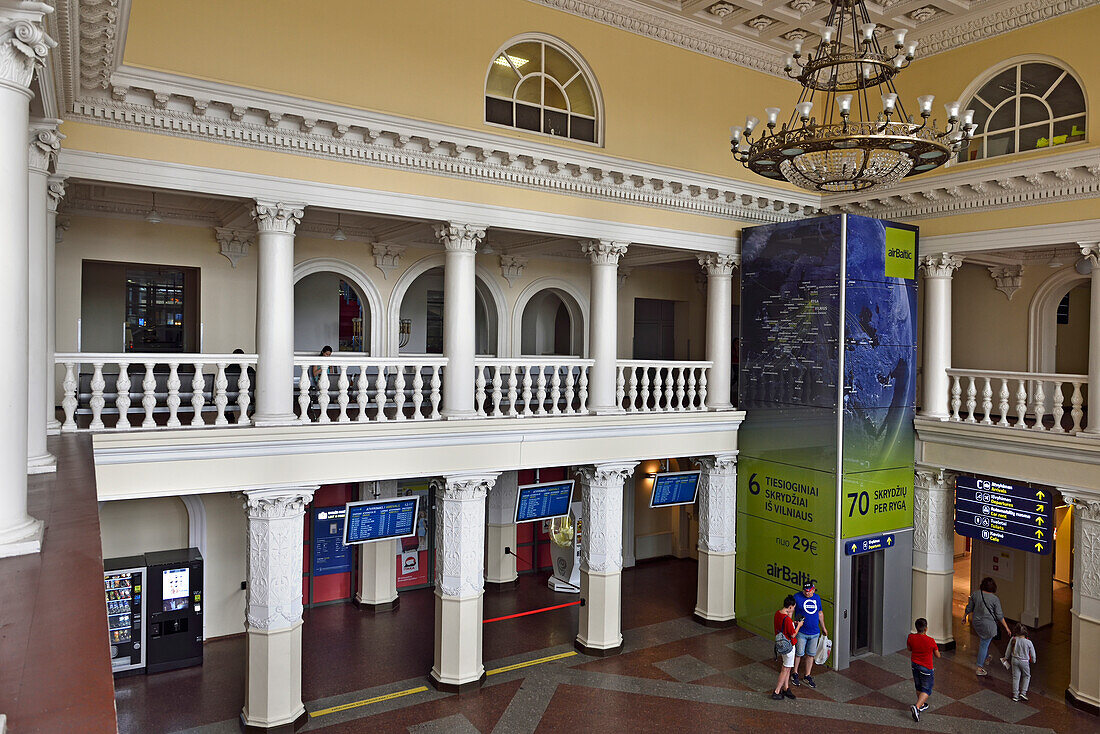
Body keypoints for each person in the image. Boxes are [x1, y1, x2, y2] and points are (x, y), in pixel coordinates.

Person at [963, 576, 1012, 676]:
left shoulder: (976, 594)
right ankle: (980, 667)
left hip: (977, 623)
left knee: (983, 641)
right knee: (984, 644)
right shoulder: (995, 599)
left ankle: (986, 657)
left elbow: (969, 607)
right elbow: (999, 615)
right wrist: (1006, 627)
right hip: (989, 625)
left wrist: (964, 616)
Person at [791, 579, 827, 688]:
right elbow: (791, 611)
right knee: (799, 653)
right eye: (805, 591)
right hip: (801, 632)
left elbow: (820, 613)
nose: (807, 593)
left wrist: (823, 627)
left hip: (814, 632)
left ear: (813, 590)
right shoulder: (797, 597)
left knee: (811, 655)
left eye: (809, 591)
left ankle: (807, 675)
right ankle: (795, 673)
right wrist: (792, 625)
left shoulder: (817, 598)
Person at [906, 617, 940, 722]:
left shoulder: (911, 637)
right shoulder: (931, 641)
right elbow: (937, 655)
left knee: (918, 685)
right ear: (926, 629)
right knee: (927, 689)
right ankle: (916, 707)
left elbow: (909, 649)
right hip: (926, 667)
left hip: (914, 665)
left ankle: (922, 704)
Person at [772, 595, 802, 701]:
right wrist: (799, 625)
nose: (793, 609)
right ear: (790, 607)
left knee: (787, 666)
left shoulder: (777, 614)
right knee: (785, 669)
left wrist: (792, 623)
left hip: (781, 644)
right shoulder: (787, 620)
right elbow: (793, 634)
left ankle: (786, 688)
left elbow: (783, 626)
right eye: (793, 607)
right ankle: (777, 691)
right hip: (789, 646)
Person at [1006, 623, 1036, 702]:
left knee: (1016, 677)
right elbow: (1033, 655)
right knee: (1026, 676)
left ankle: (1015, 695)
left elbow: (1008, 650)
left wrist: (1006, 658)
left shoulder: (1013, 639)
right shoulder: (1028, 642)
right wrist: (1033, 660)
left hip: (1014, 660)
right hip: (1024, 662)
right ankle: (1023, 692)